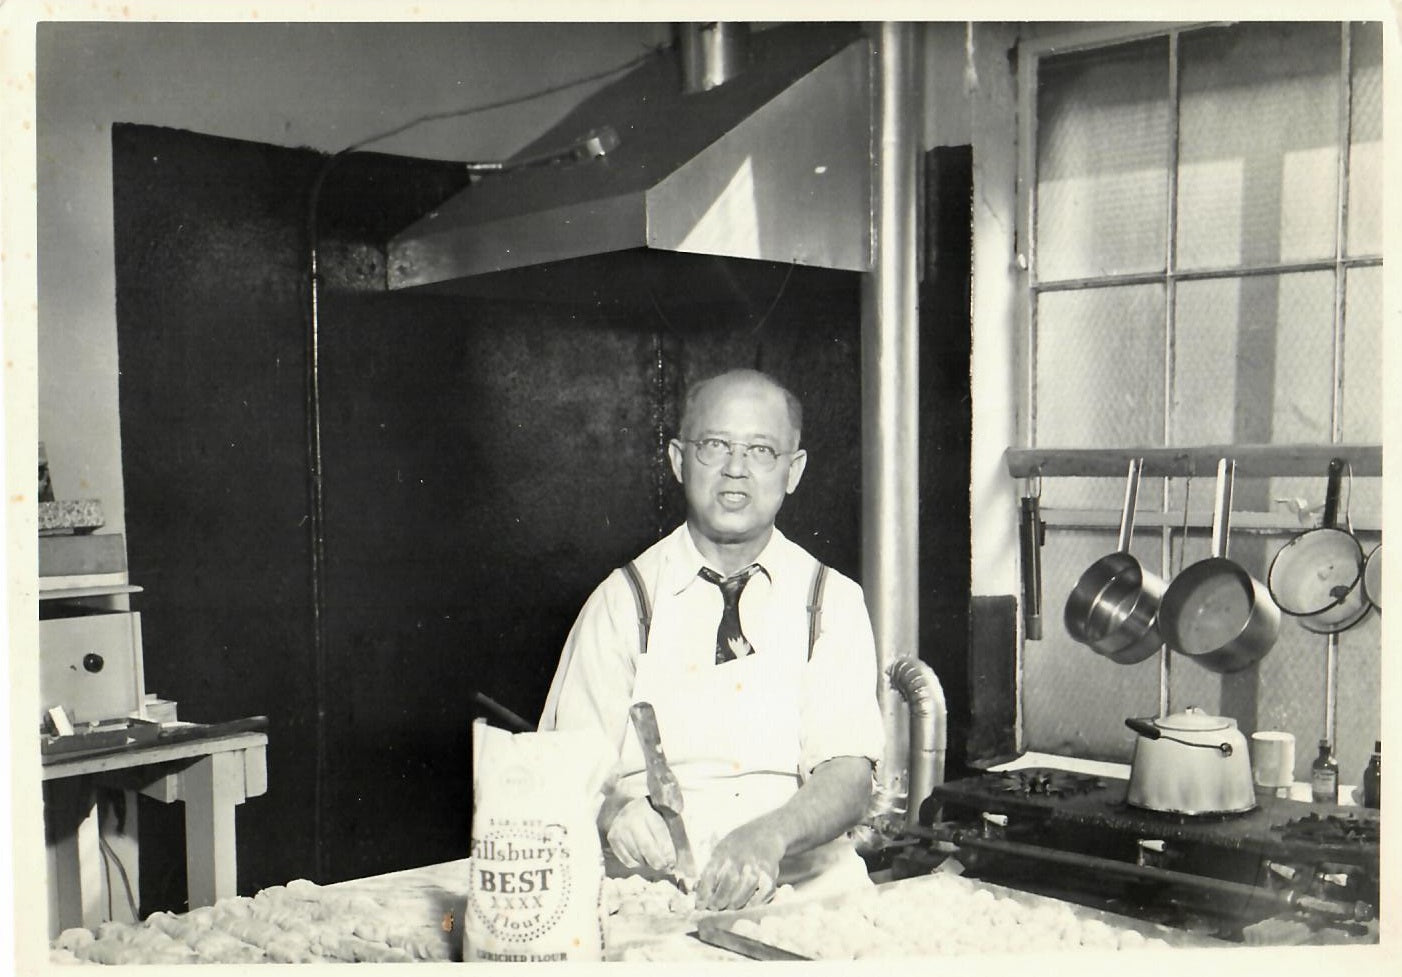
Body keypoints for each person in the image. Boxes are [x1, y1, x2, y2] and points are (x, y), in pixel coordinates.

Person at [539, 368, 884, 912]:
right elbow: (561, 766)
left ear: (793, 471)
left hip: (809, 894)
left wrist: (769, 836)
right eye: (715, 445)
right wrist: (612, 813)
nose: (736, 470)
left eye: (761, 450)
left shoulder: (830, 599)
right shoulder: (624, 600)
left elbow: (848, 775)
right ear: (678, 459)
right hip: (653, 899)